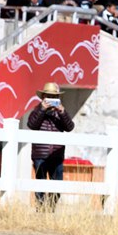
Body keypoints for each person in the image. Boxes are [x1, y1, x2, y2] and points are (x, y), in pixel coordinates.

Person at [27, 82, 75, 212]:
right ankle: (41, 210)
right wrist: (42, 109)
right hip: (40, 156)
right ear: (43, 97)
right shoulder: (37, 111)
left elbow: (70, 127)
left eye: (54, 97)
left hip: (57, 155)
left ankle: (50, 209)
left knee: (57, 186)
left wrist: (62, 111)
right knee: (40, 185)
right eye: (48, 96)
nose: (51, 99)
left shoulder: (60, 113)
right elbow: (31, 124)